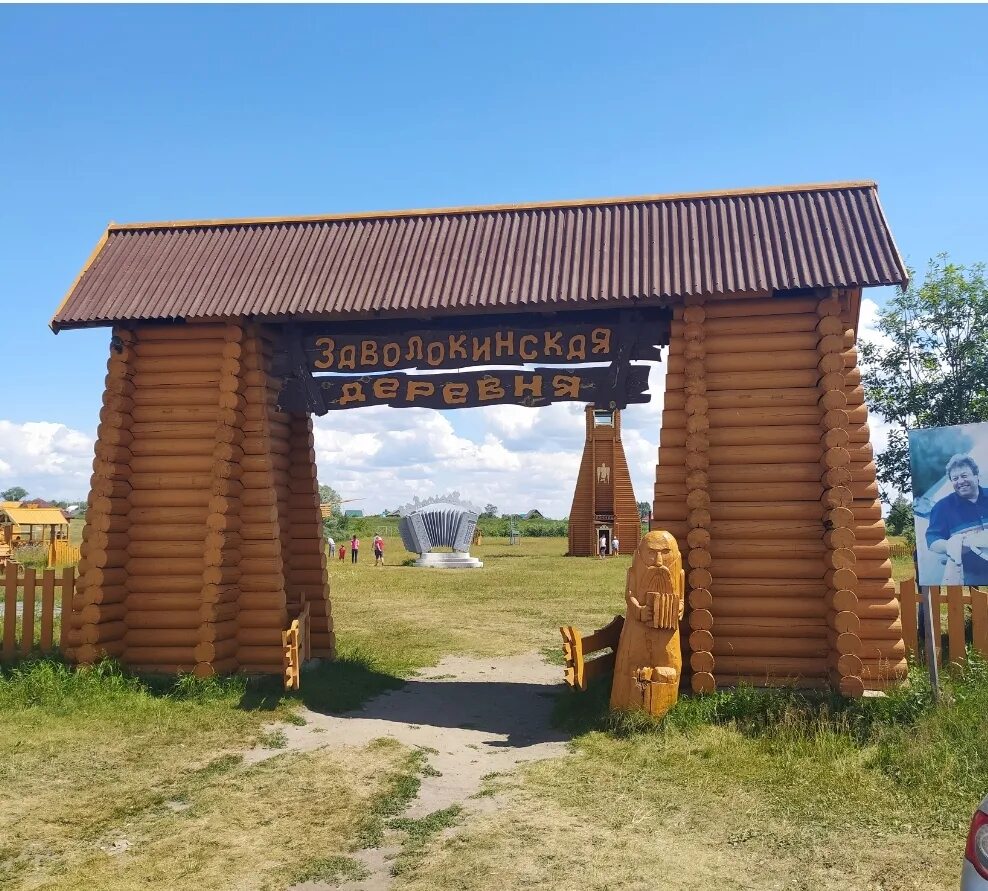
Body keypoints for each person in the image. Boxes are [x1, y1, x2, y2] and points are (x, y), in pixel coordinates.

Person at [926, 454, 988, 585]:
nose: (960, 481)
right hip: (970, 575)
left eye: (964, 476)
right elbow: (932, 541)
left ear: (976, 476)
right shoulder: (942, 507)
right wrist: (951, 545)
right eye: (955, 478)